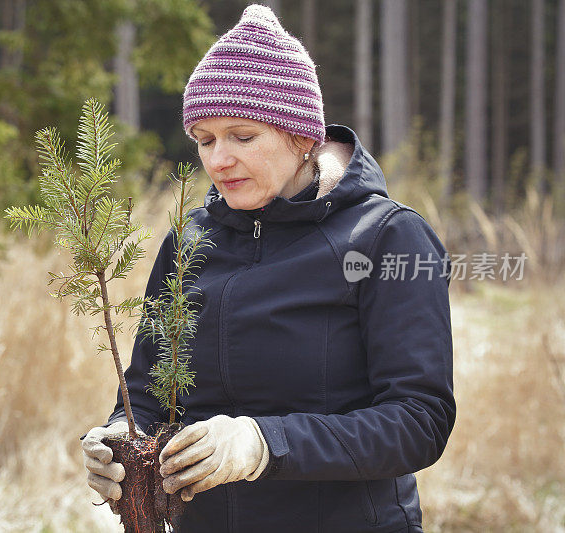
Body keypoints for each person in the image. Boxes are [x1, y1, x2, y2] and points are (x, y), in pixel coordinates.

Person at [81, 5, 455, 532]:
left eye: (243, 136)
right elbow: (145, 391)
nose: (218, 160)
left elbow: (420, 421)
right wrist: (119, 436)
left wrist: (264, 444)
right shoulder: (188, 241)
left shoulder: (388, 237)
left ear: (303, 137)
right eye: (205, 140)